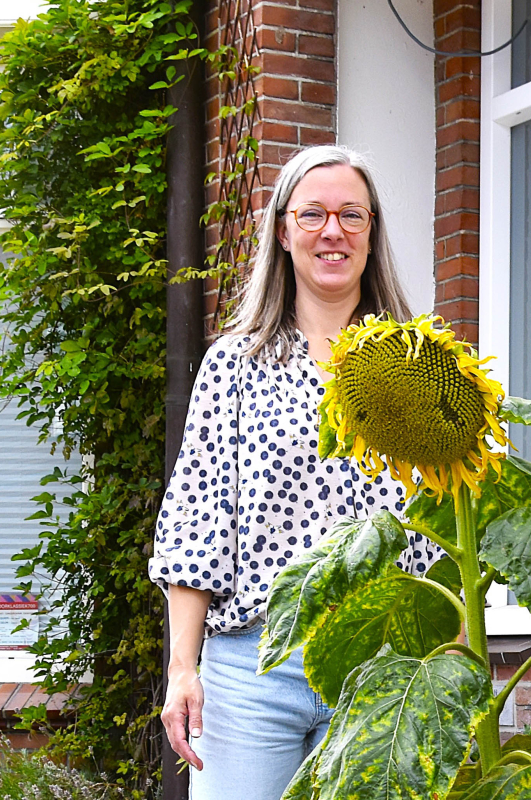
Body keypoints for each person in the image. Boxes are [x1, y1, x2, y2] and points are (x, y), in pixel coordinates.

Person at [150, 145, 441, 800]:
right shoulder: (234, 366)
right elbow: (198, 528)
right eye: (312, 214)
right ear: (283, 231)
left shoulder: (417, 366)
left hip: (381, 670)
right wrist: (181, 670)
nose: (332, 231)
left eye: (351, 215)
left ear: (372, 234)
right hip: (254, 671)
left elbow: (440, 535)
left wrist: (447, 664)